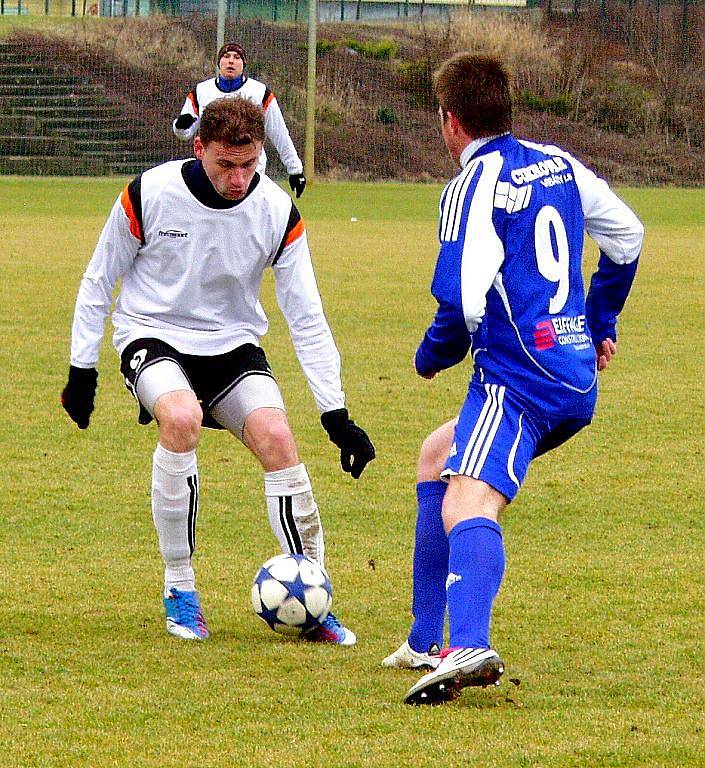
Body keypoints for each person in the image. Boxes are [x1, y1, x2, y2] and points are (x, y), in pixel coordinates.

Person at [62, 97, 375, 645]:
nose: (238, 178)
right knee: (179, 417)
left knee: (278, 436)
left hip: (231, 345)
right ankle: (180, 588)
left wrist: (336, 412)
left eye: (249, 164)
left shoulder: (278, 210)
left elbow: (307, 315)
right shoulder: (150, 193)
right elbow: (97, 280)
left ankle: (312, 599)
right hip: (152, 332)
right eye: (225, 165)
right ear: (198, 147)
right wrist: (81, 369)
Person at [381, 54, 644, 705]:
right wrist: (599, 318)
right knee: (437, 455)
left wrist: (427, 356)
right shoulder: (557, 162)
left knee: (466, 501)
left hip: (517, 379)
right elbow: (627, 236)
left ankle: (468, 643)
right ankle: (424, 638)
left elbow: (461, 301)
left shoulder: (471, 185)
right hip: (572, 376)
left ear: (449, 121)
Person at [173, 42, 306, 199]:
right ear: (218, 62)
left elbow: (279, 133)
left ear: (244, 64)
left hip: (251, 175)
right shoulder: (201, 91)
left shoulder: (259, 92)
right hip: (212, 172)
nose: (231, 61)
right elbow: (184, 133)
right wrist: (180, 126)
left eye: (237, 57)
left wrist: (295, 170)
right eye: (226, 56)